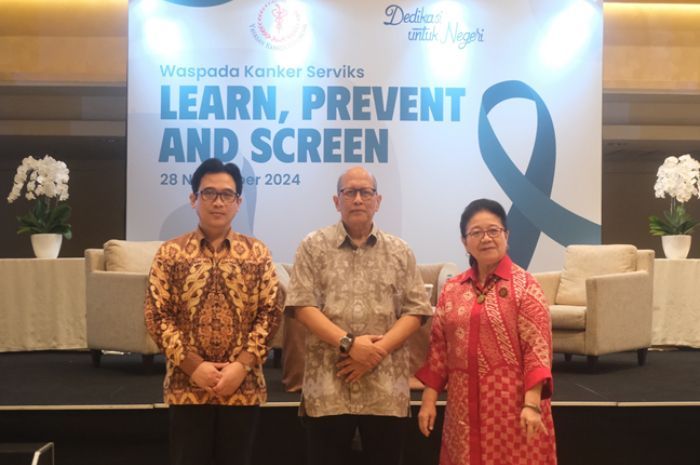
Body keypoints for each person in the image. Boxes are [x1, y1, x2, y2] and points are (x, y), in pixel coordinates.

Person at [285, 166, 433, 465]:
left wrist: (375, 352)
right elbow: (302, 306)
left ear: (378, 200)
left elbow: (417, 310)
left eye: (365, 192)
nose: (357, 199)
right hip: (328, 385)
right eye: (349, 192)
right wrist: (350, 345)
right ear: (336, 201)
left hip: (385, 389)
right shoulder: (313, 246)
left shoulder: (400, 251)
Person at [144, 158, 283, 465]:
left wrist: (241, 366)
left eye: (227, 194)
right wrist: (194, 366)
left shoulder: (257, 253)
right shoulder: (170, 253)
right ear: (194, 199)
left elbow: (270, 313)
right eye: (209, 193)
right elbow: (157, 315)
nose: (218, 202)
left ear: (238, 202)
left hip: (242, 385)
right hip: (187, 385)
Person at [416, 198, 556, 465]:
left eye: (493, 230)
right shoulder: (453, 289)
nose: (486, 238)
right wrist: (428, 401)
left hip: (514, 409)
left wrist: (531, 404)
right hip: (463, 411)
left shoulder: (526, 286)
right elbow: (439, 350)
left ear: (506, 235)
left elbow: (537, 349)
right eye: (476, 232)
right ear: (464, 241)